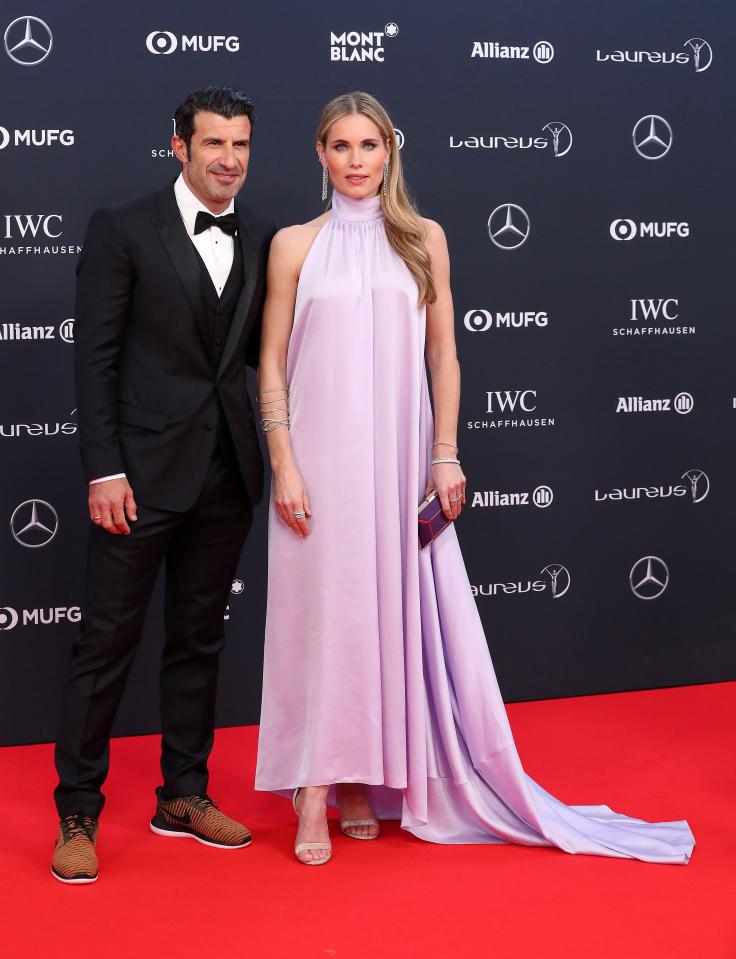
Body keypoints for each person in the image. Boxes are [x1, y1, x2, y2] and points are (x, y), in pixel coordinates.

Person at [254, 91, 695, 866]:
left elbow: (443, 356)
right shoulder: (294, 244)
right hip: (319, 462)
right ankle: (314, 786)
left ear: (391, 150)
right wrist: (283, 461)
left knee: (387, 615)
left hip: (398, 458)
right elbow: (270, 364)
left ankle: (366, 780)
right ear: (319, 154)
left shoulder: (425, 239)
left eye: (369, 145)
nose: (356, 161)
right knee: (323, 616)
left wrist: (445, 451)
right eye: (340, 146)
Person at [52, 86, 275, 884]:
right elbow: (95, 359)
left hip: (225, 477)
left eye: (241, 144)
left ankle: (183, 793)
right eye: (213, 143)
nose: (229, 160)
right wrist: (104, 467)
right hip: (137, 479)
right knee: (105, 643)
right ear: (177, 146)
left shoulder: (261, 238)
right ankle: (77, 808)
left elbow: (264, 359)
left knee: (198, 642)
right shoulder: (122, 227)